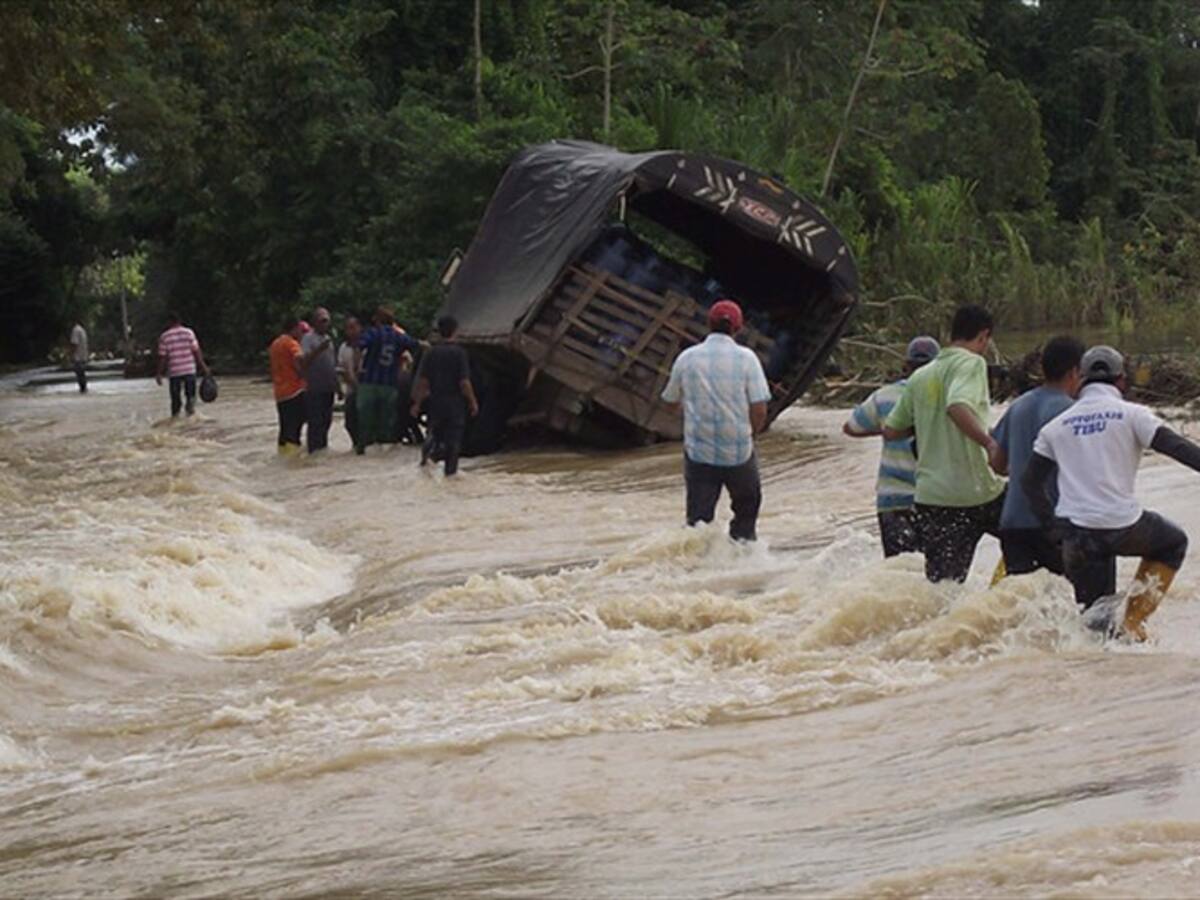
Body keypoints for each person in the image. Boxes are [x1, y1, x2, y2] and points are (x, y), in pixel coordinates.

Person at [1023, 345, 1200, 640]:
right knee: (1173, 543)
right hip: (1123, 526)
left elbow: (1029, 483)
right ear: (1121, 381)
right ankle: (1133, 623)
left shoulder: (1055, 428)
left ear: (1081, 380)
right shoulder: (1133, 415)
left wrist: (1054, 528)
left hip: (1077, 534)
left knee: (1094, 629)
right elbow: (1179, 449)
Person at [883, 305, 1005, 582]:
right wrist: (989, 443)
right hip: (978, 491)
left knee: (944, 588)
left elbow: (891, 430)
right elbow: (957, 406)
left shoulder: (920, 375)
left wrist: (928, 422)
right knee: (1033, 537)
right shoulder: (972, 363)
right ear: (983, 336)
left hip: (933, 498)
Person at [661, 299, 771, 542]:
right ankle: (742, 552)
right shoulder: (747, 359)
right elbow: (759, 408)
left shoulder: (686, 358)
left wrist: (689, 412)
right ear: (738, 328)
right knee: (747, 510)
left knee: (698, 524)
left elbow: (669, 401)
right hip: (738, 451)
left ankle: (700, 561)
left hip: (699, 452)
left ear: (708, 324)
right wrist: (752, 434)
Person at [989, 336, 1084, 576]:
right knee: (1068, 594)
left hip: (1013, 522)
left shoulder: (1018, 406)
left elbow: (997, 464)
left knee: (1022, 595)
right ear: (1074, 372)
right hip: (1054, 522)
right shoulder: (1073, 412)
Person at [843, 335, 941, 557]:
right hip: (935, 498)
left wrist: (887, 429)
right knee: (935, 569)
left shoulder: (884, 396)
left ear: (906, 366)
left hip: (893, 500)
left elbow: (850, 428)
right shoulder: (948, 397)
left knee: (898, 568)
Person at [411, 315, 479, 476]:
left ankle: (427, 462)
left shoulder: (431, 353)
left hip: (435, 402)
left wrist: (417, 404)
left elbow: (423, 382)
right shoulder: (459, 353)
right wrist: (473, 401)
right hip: (454, 404)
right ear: (455, 331)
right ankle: (450, 474)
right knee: (453, 442)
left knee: (433, 433)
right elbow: (464, 382)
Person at [354, 307, 421, 454]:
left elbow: (359, 346)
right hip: (389, 384)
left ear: (377, 320)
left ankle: (363, 447)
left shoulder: (373, 333)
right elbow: (415, 345)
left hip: (370, 382)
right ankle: (384, 450)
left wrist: (357, 366)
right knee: (387, 421)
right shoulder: (398, 336)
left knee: (366, 419)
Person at [300, 307, 339, 454]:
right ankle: (313, 453)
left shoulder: (328, 340)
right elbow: (304, 362)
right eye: (322, 321)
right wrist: (319, 350)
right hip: (314, 388)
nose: (325, 324)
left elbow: (332, 365)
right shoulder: (308, 338)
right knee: (315, 424)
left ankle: (322, 453)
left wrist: (338, 387)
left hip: (328, 388)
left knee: (326, 423)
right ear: (314, 322)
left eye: (327, 321)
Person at [156, 313, 210, 417]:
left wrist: (159, 373)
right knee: (190, 395)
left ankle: (175, 417)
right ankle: (190, 414)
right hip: (189, 369)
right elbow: (196, 352)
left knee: (175, 398)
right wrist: (203, 367)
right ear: (179, 321)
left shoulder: (165, 336)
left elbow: (162, 357)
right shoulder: (189, 333)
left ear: (169, 322)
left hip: (174, 371)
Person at [269, 317, 308, 455]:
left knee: (285, 428)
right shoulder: (291, 343)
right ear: (295, 328)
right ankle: (293, 458)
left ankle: (283, 455)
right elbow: (298, 359)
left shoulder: (275, 344)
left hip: (280, 393)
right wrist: (304, 374)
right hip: (294, 390)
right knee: (295, 428)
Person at [337, 315, 363, 450]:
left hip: (366, 389)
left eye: (353, 327)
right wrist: (352, 383)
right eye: (348, 328)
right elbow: (341, 370)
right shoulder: (343, 347)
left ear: (360, 328)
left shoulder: (367, 345)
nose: (351, 331)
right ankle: (356, 446)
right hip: (351, 391)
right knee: (350, 424)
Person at [69, 321, 88, 393]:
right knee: (82, 375)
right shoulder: (82, 330)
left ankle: (82, 390)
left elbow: (74, 344)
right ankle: (84, 390)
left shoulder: (75, 330)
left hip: (78, 357)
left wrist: (71, 355)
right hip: (83, 356)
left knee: (79, 375)